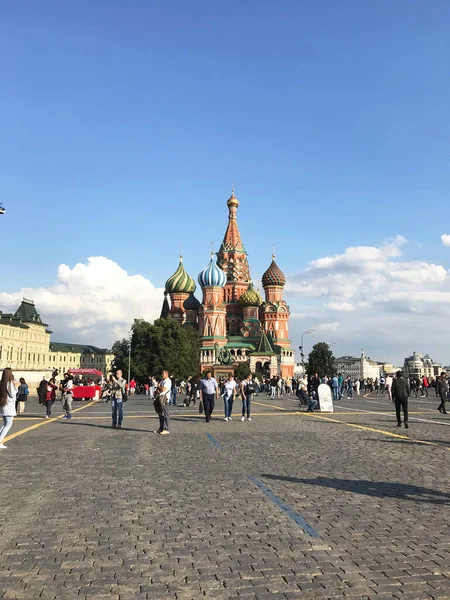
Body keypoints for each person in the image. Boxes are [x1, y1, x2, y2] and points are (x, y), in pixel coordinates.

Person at [0, 368, 18, 449]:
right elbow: (12, 394)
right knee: (8, 424)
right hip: (9, 406)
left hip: (4, 405)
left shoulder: (2, 383)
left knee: (5, 424)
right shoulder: (9, 382)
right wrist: (16, 386)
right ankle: (0, 441)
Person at [155, 369, 171, 435]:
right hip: (160, 397)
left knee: (165, 414)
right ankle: (161, 428)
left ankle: (166, 428)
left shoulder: (168, 381)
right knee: (160, 414)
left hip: (165, 398)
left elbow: (163, 389)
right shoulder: (162, 380)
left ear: (167, 374)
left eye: (163, 373)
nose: (162, 374)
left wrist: (159, 387)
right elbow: (158, 388)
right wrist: (159, 388)